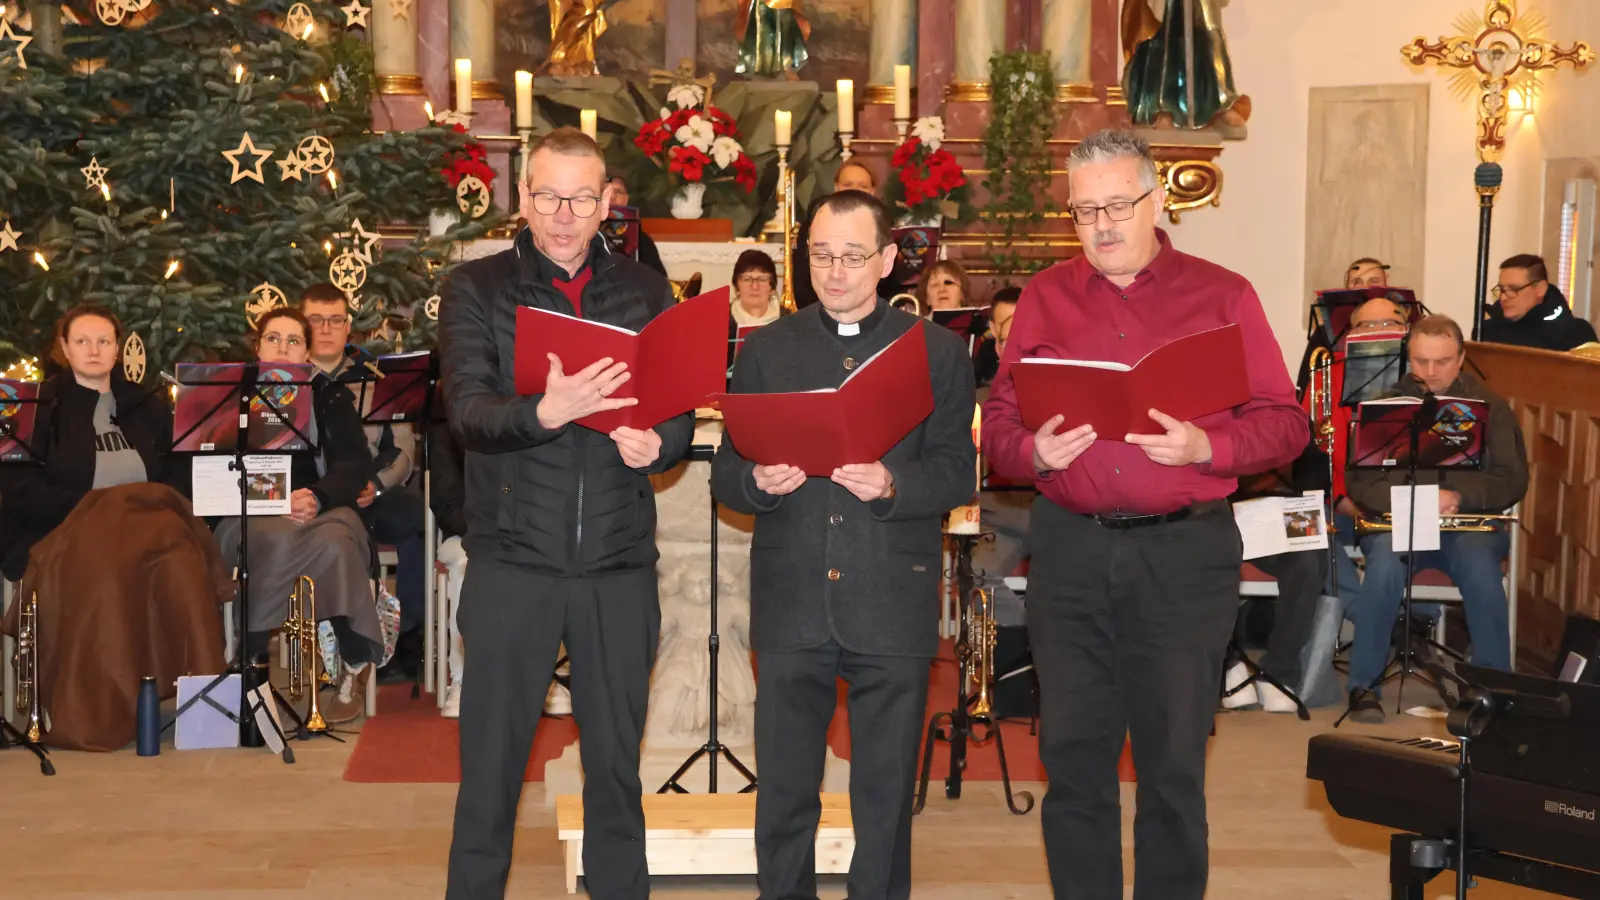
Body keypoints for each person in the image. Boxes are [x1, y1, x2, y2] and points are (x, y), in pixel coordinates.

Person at [983, 129, 1306, 900]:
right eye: (1085, 209)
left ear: (1158, 201)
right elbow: (998, 424)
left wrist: (1207, 443)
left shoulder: (1222, 294)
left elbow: (1287, 424)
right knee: (1073, 760)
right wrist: (1034, 454)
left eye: (1118, 206)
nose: (1101, 225)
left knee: (1171, 765)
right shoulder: (1044, 296)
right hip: (1071, 553)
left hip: (1182, 558)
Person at [439, 127, 695, 900]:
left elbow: (679, 413)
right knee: (491, 772)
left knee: (616, 770)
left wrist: (661, 444)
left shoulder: (646, 293)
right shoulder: (476, 289)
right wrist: (546, 410)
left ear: (607, 202)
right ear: (524, 197)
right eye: (548, 196)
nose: (563, 216)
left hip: (617, 566)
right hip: (515, 561)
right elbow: (468, 414)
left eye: (582, 199)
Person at [710, 189, 977, 900]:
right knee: (785, 793)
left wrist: (894, 486)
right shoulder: (769, 348)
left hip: (890, 592)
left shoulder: (937, 353)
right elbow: (725, 474)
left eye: (853, 257)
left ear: (888, 260)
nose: (834, 272)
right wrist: (759, 482)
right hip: (792, 593)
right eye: (821, 255)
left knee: (884, 796)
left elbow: (957, 471)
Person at [0, 305, 231, 752]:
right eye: (82, 341)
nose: (93, 350)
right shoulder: (37, 408)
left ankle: (203, 709)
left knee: (183, 562)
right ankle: (102, 710)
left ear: (119, 348)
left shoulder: (146, 405)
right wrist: (94, 508)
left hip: (152, 522)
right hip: (71, 529)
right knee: (104, 566)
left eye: (104, 341)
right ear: (63, 348)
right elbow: (19, 487)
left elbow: (182, 469)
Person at [1343, 314, 1528, 724]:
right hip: (1401, 520)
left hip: (1469, 525)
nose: (1430, 372)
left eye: (1442, 361)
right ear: (1409, 359)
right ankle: (1363, 686)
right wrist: (1408, 498)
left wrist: (1459, 496)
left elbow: (1513, 481)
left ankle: (1492, 688)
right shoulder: (1385, 407)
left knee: (1482, 571)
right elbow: (1359, 480)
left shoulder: (1492, 409)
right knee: (1384, 568)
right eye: (1421, 361)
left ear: (1461, 358)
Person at [212, 307, 385, 724]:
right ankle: (252, 662)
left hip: (320, 507)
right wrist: (274, 499)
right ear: (257, 348)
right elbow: (207, 465)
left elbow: (354, 465)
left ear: (307, 353)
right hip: (249, 509)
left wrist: (318, 497)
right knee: (276, 537)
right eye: (273, 338)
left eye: (293, 341)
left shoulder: (329, 395)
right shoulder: (228, 396)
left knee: (336, 541)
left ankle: (353, 660)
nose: (283, 348)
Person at [297, 283, 428, 684]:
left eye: (334, 319)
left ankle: (407, 638)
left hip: (369, 495)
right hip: (310, 499)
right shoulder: (287, 380)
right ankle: (338, 639)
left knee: (414, 515)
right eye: (315, 320)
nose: (325, 328)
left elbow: (403, 450)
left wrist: (376, 484)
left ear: (348, 325)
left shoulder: (377, 377)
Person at [793, 161, 877, 310]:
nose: (855, 191)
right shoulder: (812, 226)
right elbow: (802, 280)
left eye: (862, 186)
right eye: (848, 184)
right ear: (836, 188)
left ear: (872, 192)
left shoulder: (882, 227)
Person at [1482, 253, 1598, 352]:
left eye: (1513, 289)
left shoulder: (1575, 334)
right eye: (1502, 289)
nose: (1503, 297)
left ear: (1540, 289)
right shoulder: (1488, 329)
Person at [605, 175, 667, 278]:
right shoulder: (586, 234)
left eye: (618, 192)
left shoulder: (641, 239)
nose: (613, 196)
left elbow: (658, 279)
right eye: (607, 191)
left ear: (626, 199)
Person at [730, 249, 782, 326]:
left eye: (762, 279)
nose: (755, 287)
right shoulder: (720, 319)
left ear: (772, 288)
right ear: (737, 287)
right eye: (747, 279)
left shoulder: (788, 319)